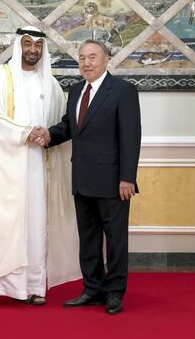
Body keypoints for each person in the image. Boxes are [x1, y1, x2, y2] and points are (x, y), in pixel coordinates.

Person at [0, 26, 80, 310]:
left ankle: (32, 286)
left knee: (35, 225)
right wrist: (26, 133)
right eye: (27, 43)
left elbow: (60, 123)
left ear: (43, 49)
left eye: (38, 45)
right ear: (19, 45)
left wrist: (47, 135)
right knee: (0, 225)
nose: (33, 50)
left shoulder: (50, 84)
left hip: (39, 169)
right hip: (5, 167)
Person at [32, 39, 141, 315]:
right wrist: (48, 135)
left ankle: (114, 293)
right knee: (88, 239)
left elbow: (131, 136)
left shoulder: (122, 91)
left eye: (92, 57)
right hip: (81, 178)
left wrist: (127, 177)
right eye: (82, 58)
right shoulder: (76, 89)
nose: (86, 63)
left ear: (106, 59)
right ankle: (92, 289)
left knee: (116, 240)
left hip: (113, 181)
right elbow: (70, 126)